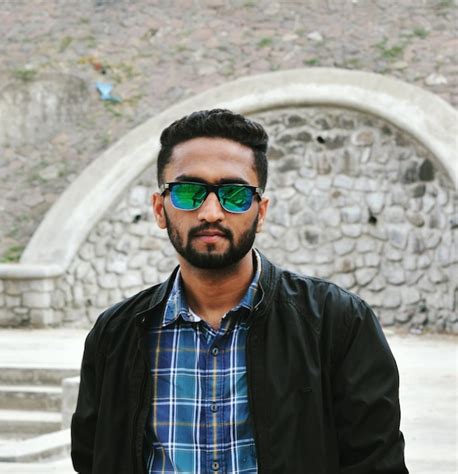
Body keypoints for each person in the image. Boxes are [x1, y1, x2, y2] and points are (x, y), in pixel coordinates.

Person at [71, 109, 408, 474]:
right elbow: (92, 458)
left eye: (234, 194)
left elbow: (376, 462)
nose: (211, 212)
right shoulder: (116, 333)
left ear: (260, 212)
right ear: (159, 209)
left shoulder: (337, 323)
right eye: (188, 192)